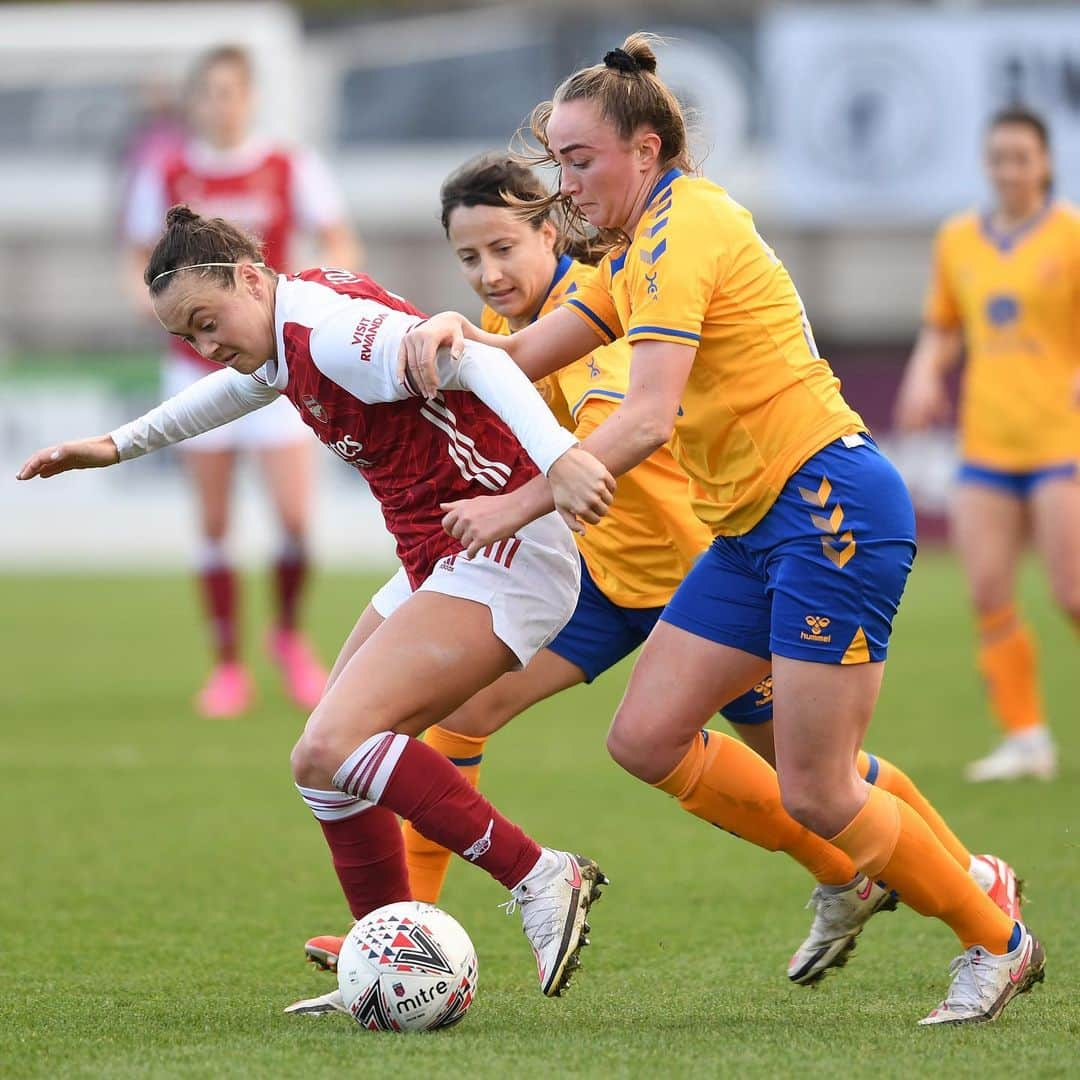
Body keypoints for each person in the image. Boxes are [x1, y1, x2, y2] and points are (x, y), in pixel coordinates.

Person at [397, 35, 1045, 1024]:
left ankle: (995, 936)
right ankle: (960, 885)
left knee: (819, 789)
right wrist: (420, 345)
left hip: (829, 505)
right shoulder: (632, 249)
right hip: (750, 528)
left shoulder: (688, 228)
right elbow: (522, 355)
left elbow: (648, 416)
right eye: (557, 164)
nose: (564, 187)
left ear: (646, 151)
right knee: (647, 737)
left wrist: (514, 505)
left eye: (580, 162)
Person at [17, 206, 616, 1010]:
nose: (203, 346)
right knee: (321, 767)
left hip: (503, 550)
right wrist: (116, 446)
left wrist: (560, 457)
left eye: (207, 321)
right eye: (186, 337)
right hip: (438, 556)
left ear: (251, 278)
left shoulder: (330, 333)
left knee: (339, 741)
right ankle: (389, 961)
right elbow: (235, 390)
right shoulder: (285, 328)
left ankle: (542, 875)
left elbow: (471, 359)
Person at [123, 45, 361, 717]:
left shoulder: (289, 164)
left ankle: (287, 637)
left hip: (277, 368)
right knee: (215, 523)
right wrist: (163, 310)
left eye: (233, 92)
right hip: (195, 369)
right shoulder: (166, 171)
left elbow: (339, 242)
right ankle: (227, 666)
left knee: (293, 520)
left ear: (250, 98)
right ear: (194, 102)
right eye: (210, 93)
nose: (221, 105)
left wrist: (321, 294)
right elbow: (138, 262)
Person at [896, 105, 1080, 783]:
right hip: (986, 443)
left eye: (1021, 158)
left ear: (1045, 164)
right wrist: (923, 373)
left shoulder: (1070, 235)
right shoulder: (959, 239)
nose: (1008, 170)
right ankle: (1027, 738)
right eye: (998, 157)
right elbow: (944, 324)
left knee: (1072, 591)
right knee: (988, 591)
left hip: (1060, 441)